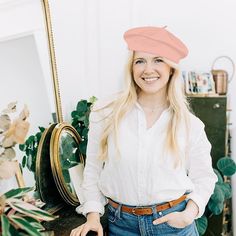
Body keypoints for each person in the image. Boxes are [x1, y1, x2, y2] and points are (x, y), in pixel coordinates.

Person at [70, 26, 217, 236]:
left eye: (158, 60)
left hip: (173, 226)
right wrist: (93, 216)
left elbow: (204, 178)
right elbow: (92, 170)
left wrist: (187, 215)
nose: (148, 70)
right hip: (120, 226)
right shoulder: (105, 113)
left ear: (171, 69)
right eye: (140, 61)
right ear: (131, 67)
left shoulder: (189, 124)